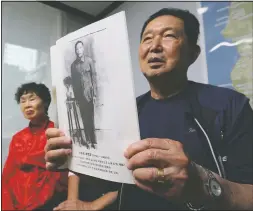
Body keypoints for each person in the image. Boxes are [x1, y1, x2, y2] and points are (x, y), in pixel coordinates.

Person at [44, 8, 253, 210]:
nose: (154, 46)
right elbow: (117, 185)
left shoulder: (229, 105)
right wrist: (75, 159)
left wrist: (200, 183)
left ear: (193, 53)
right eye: (147, 38)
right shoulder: (129, 111)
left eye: (169, 36)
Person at [2, 82, 68, 210]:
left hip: (49, 203)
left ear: (45, 103)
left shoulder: (57, 132)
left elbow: (61, 175)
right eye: (22, 101)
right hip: (16, 204)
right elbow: (7, 176)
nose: (27, 105)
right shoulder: (18, 138)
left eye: (32, 99)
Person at [70, 40, 97, 149]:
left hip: (89, 94)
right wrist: (76, 98)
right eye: (76, 49)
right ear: (75, 51)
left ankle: (94, 141)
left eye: (80, 48)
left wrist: (94, 94)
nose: (78, 50)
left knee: (90, 117)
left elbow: (94, 78)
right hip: (80, 96)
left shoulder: (89, 61)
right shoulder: (73, 65)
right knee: (84, 118)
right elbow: (74, 83)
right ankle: (88, 142)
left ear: (83, 49)